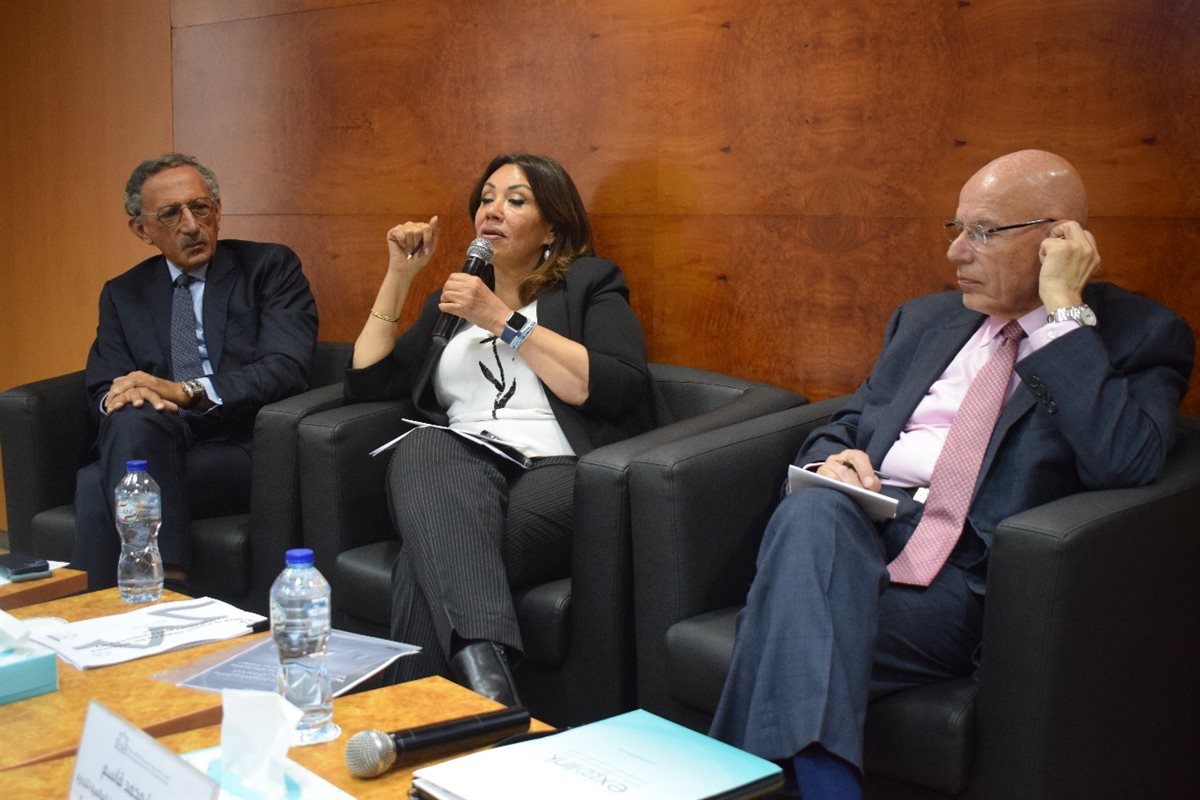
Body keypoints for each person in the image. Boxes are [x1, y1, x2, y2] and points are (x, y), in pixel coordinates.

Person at [709, 150, 1194, 798]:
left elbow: (1125, 459)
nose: (955, 252)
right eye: (956, 228)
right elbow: (847, 422)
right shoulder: (925, 320)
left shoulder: (1139, 335)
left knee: (783, 623)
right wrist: (833, 462)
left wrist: (1062, 315)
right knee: (813, 508)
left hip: (963, 578)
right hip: (857, 530)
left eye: (983, 232)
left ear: (1057, 239)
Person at [346, 152, 662, 705]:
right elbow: (367, 381)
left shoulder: (589, 284)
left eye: (515, 201)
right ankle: (489, 688)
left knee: (428, 557)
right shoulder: (452, 301)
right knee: (424, 446)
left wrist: (499, 318)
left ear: (552, 229)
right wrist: (400, 275)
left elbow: (615, 385)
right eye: (486, 199)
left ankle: (439, 714)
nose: (492, 210)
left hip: (558, 469)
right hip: (461, 467)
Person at [74, 153, 318, 590]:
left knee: (99, 483)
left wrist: (185, 390)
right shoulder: (123, 294)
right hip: (157, 437)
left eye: (200, 208)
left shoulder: (268, 268)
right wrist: (125, 397)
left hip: (242, 444)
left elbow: (286, 369)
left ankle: (135, 597)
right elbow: (103, 388)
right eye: (171, 214)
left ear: (217, 210)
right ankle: (165, 587)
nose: (191, 225)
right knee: (130, 415)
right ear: (142, 229)